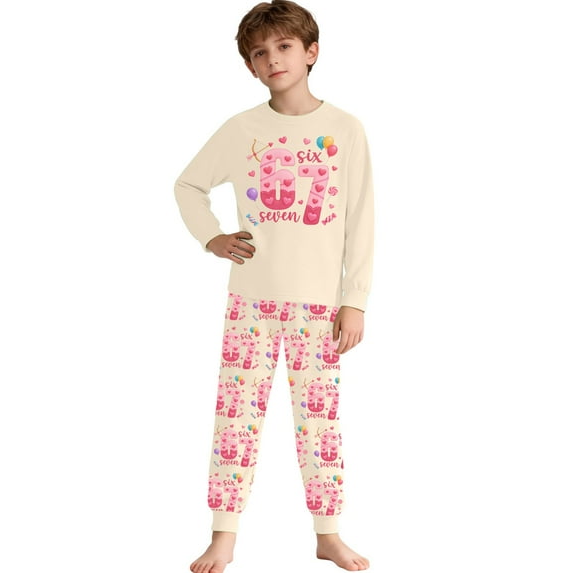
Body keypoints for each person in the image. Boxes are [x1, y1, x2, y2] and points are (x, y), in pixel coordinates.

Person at [173, 1, 374, 571]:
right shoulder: (242, 130)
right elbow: (188, 186)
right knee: (236, 419)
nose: (273, 59)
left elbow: (360, 219)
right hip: (251, 303)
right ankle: (224, 535)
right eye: (260, 52)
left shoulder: (346, 130)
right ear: (250, 66)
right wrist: (212, 237)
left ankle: (328, 533)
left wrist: (354, 300)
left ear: (311, 52)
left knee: (320, 423)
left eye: (284, 46)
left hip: (318, 307)